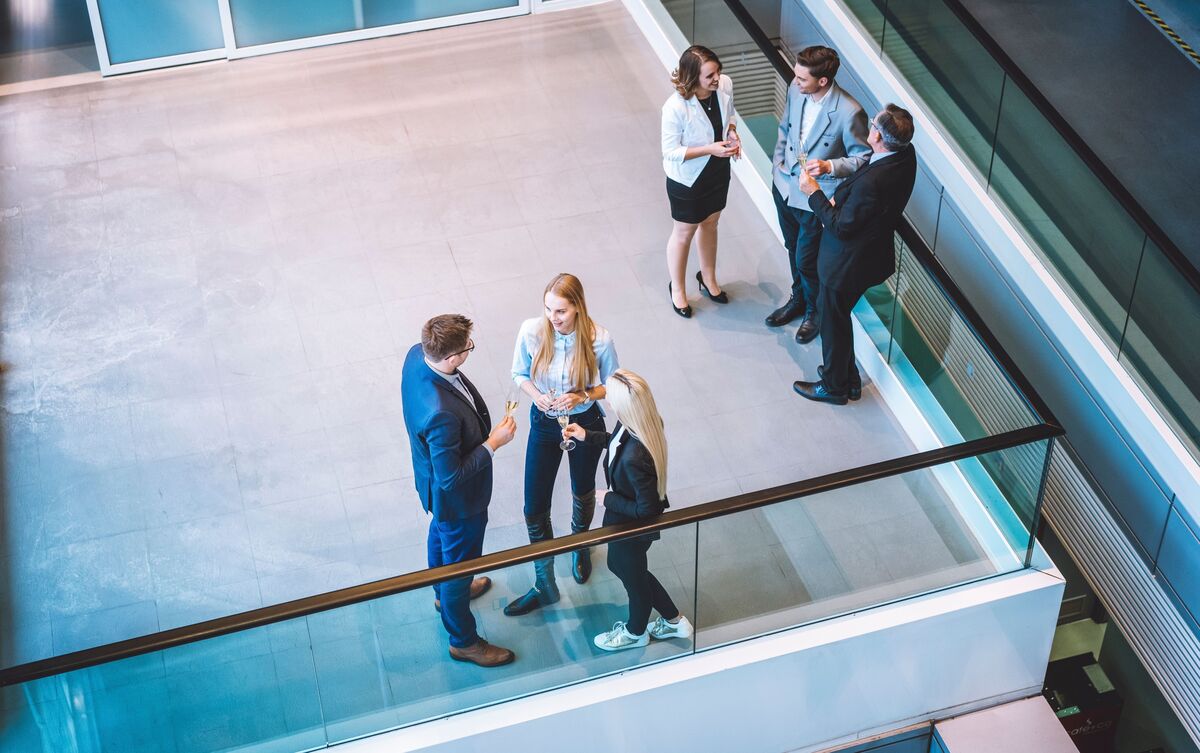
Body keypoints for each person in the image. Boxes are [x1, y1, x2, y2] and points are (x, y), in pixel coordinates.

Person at [401, 314, 518, 667]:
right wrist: (493, 443)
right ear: (451, 358)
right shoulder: (441, 414)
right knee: (459, 564)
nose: (469, 351)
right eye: (467, 347)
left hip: (435, 490)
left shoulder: (414, 355)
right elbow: (451, 477)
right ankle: (463, 640)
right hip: (459, 500)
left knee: (440, 533)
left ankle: (443, 591)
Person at [505, 273, 620, 616]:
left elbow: (613, 385)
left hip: (583, 421)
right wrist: (538, 397)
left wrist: (582, 395)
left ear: (577, 308)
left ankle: (579, 543)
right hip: (544, 421)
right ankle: (545, 584)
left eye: (560, 311)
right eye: (548, 309)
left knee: (582, 490)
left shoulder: (600, 339)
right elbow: (519, 374)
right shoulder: (532, 331)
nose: (552, 318)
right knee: (533, 507)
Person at [793, 104, 918, 405]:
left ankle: (834, 387)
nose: (870, 126)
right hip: (869, 256)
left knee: (831, 321)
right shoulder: (905, 156)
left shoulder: (874, 183)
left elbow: (841, 226)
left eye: (873, 123)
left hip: (846, 264)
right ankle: (847, 380)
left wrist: (814, 194)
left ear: (877, 136)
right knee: (837, 316)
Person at [561, 370, 693, 651]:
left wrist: (607, 499)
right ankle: (673, 620)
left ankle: (635, 633)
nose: (606, 400)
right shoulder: (639, 424)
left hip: (631, 525)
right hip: (624, 522)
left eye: (610, 397)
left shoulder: (635, 458)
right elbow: (616, 442)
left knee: (634, 582)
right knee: (627, 568)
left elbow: (648, 509)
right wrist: (588, 436)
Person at [766, 46, 871, 344]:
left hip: (815, 198)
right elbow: (785, 128)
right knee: (791, 247)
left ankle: (814, 312)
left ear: (822, 81)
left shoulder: (849, 111)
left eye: (802, 78)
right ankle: (797, 299)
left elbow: (863, 158)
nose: (795, 81)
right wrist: (779, 165)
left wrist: (829, 165)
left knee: (806, 259)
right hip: (785, 185)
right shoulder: (795, 90)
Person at [661, 45, 741, 318]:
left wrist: (732, 132)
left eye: (718, 71)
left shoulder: (724, 85)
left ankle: (708, 278)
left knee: (711, 223)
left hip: (717, 170)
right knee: (684, 233)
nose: (717, 79)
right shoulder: (675, 107)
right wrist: (710, 148)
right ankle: (678, 290)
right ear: (693, 78)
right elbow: (670, 152)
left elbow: (729, 113)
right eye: (710, 76)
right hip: (688, 179)